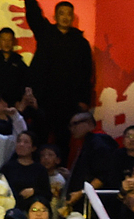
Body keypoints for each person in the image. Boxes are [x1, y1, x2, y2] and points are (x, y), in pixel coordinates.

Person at [24, 0, 95, 149]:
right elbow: (33, 15)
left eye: (69, 14)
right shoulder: (45, 33)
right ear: (55, 16)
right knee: (38, 139)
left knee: (63, 142)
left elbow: (86, 73)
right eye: (61, 13)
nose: (65, 17)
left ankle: (60, 171)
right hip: (43, 99)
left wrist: (83, 99)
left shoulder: (81, 43)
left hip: (68, 101)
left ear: (72, 18)